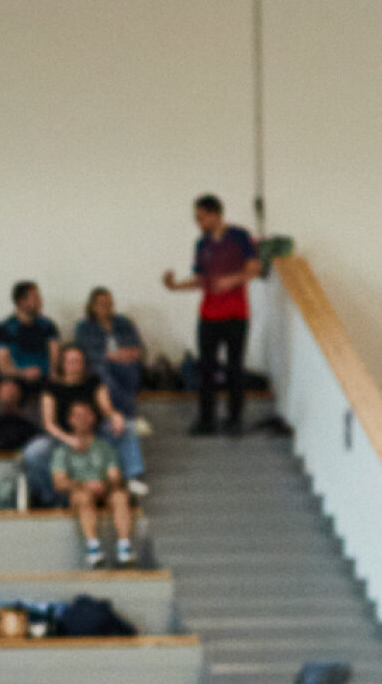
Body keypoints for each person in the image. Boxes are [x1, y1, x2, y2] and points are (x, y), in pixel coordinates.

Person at [163, 195, 259, 436]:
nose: (198, 222)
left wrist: (231, 280)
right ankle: (206, 420)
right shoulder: (201, 244)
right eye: (197, 218)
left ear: (216, 214)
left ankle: (235, 419)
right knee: (206, 369)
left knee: (235, 368)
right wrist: (174, 286)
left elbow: (254, 268)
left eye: (201, 217)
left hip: (236, 314)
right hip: (208, 315)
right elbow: (200, 280)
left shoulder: (239, 236)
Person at [25, 342, 142, 507]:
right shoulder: (51, 387)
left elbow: (106, 408)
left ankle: (130, 479)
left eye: (78, 361)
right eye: (70, 361)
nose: (74, 365)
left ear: (84, 363)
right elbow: (49, 424)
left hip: (94, 434)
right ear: (62, 364)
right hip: (62, 437)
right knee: (33, 452)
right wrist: (69, 439)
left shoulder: (93, 382)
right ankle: (48, 497)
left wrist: (115, 416)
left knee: (129, 428)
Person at [75, 288, 148, 494]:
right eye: (101, 303)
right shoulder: (85, 327)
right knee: (103, 373)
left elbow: (138, 349)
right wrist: (115, 355)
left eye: (109, 302)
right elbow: (90, 355)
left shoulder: (123, 322)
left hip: (124, 368)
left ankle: (124, 416)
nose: (106, 306)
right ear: (92, 306)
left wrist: (119, 356)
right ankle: (125, 416)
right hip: (99, 370)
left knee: (130, 370)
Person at [50, 399, 136, 566]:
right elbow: (59, 482)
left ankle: (124, 546)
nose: (81, 419)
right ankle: (93, 547)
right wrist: (84, 485)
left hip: (103, 490)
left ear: (92, 418)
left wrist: (104, 484)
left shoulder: (104, 447)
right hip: (79, 493)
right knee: (83, 496)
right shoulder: (63, 450)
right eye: (77, 415)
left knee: (120, 496)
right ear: (70, 420)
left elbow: (114, 475)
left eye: (85, 415)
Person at [0, 281, 59, 413]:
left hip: (45, 377)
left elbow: (55, 353)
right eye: (35, 298)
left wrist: (53, 373)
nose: (40, 302)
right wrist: (23, 373)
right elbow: (3, 367)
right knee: (6, 392)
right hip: (18, 377)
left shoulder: (47, 326)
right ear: (21, 302)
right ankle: (13, 423)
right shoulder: (4, 329)